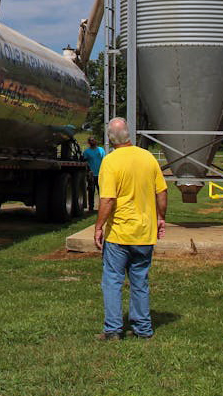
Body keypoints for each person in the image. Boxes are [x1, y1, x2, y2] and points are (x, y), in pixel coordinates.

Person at [94, 116, 167, 341]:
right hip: (144, 233)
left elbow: (108, 200)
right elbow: (162, 192)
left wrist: (98, 227)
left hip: (118, 234)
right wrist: (161, 218)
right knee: (140, 281)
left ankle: (113, 330)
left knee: (112, 281)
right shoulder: (148, 158)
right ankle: (143, 329)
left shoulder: (110, 162)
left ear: (110, 138)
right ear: (129, 134)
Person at [82, 136, 106, 206]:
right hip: (91, 175)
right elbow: (84, 162)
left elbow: (104, 161)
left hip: (100, 174)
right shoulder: (86, 152)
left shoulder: (101, 150)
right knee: (91, 191)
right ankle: (91, 207)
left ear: (96, 141)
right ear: (88, 142)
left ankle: (102, 206)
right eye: (90, 140)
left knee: (101, 191)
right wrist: (88, 171)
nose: (92, 141)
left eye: (93, 140)